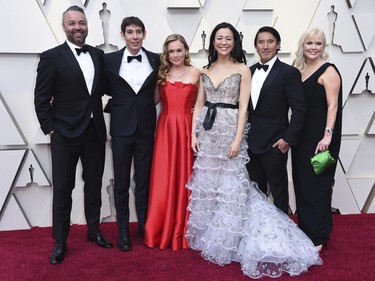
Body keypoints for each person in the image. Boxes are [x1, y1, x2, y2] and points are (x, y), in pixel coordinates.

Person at [186, 22, 321, 279]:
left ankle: (278, 236)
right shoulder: (207, 69)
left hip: (244, 136)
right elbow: (199, 103)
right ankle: (219, 235)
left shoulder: (247, 70)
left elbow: (246, 109)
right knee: (218, 186)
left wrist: (241, 139)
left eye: (228, 38)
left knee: (248, 189)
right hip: (210, 133)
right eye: (219, 38)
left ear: (235, 42)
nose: (223, 42)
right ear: (213, 42)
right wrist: (193, 133)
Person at [34, 5, 113, 265]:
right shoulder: (51, 57)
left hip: (94, 133)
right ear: (64, 27)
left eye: (81, 22)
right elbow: (42, 98)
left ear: (87, 25)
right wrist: (51, 128)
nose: (78, 27)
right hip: (65, 134)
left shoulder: (98, 55)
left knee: (94, 185)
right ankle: (60, 241)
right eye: (72, 23)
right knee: (63, 189)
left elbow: (103, 89)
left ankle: (94, 230)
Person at [104, 16, 160, 251]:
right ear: (122, 35)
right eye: (130, 32)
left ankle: (145, 227)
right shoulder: (108, 61)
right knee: (121, 182)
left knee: (144, 181)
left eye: (138, 31)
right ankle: (123, 231)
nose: (135, 36)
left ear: (144, 34)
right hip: (121, 130)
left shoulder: (157, 59)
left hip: (147, 129)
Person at [144, 34, 200, 250]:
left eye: (179, 50)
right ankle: (161, 228)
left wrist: (199, 111)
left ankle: (185, 229)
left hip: (187, 129)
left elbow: (204, 102)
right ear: (166, 54)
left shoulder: (197, 73)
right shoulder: (161, 74)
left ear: (186, 50)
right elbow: (153, 101)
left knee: (186, 175)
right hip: (166, 129)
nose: (175, 54)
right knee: (164, 178)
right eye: (171, 51)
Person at [247, 26, 306, 214]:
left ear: (278, 45)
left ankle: (282, 236)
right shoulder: (249, 71)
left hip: (275, 143)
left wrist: (287, 139)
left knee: (279, 194)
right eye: (261, 42)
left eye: (270, 41)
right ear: (255, 46)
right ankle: (258, 233)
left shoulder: (289, 73)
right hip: (251, 142)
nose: (265, 46)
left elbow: (300, 109)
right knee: (256, 193)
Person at [292, 28, 342, 252]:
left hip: (321, 138)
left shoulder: (329, 71)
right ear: (303, 45)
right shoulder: (299, 68)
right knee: (302, 183)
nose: (313, 47)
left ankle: (319, 237)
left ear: (324, 47)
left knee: (318, 185)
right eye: (309, 43)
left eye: (318, 44)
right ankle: (307, 231)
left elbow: (332, 106)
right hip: (302, 136)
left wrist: (327, 135)